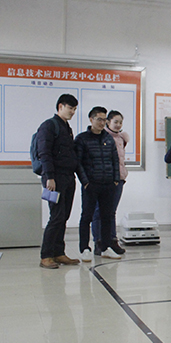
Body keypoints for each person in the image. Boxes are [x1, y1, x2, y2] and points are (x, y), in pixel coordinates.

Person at [37, 93, 81, 269]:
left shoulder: (67, 128)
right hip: (53, 180)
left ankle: (58, 253)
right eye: (70, 108)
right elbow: (44, 153)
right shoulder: (49, 126)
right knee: (56, 216)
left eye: (75, 109)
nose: (73, 112)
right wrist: (50, 177)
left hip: (68, 178)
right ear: (60, 106)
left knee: (64, 216)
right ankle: (46, 256)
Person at [75, 106, 121, 261]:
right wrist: (85, 182)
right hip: (91, 184)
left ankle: (106, 247)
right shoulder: (82, 139)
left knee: (107, 216)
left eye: (104, 119)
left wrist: (115, 180)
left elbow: (115, 160)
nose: (102, 123)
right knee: (86, 216)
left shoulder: (108, 138)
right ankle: (84, 248)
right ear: (91, 119)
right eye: (99, 119)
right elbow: (78, 163)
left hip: (108, 184)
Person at [91, 110, 128, 256]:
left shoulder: (121, 138)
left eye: (120, 122)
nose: (118, 125)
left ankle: (112, 241)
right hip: (105, 179)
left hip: (119, 178)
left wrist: (121, 177)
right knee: (98, 211)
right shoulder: (104, 137)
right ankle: (98, 242)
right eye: (115, 122)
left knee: (111, 211)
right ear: (108, 122)